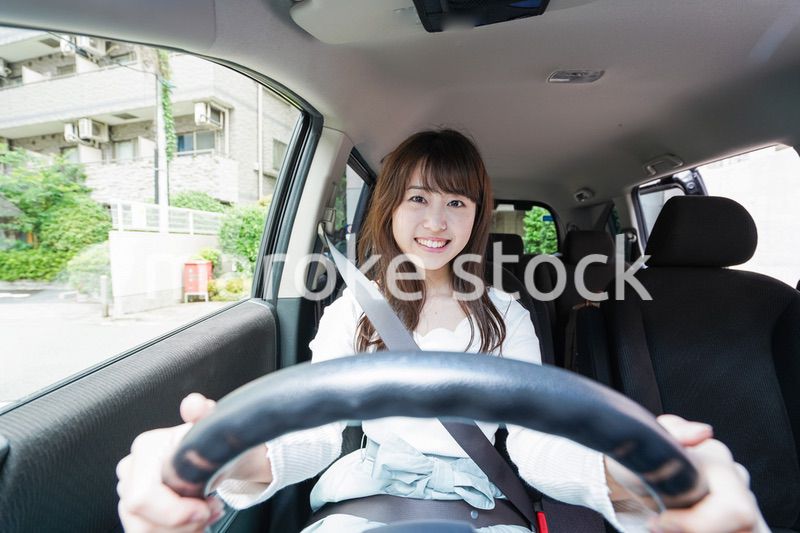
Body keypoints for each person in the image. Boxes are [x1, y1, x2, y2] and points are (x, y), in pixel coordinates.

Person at [116, 129, 767, 533]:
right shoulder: (355, 309)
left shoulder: (506, 313)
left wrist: (623, 473)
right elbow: (315, 433)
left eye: (457, 201)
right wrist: (239, 454)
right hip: (366, 493)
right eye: (419, 198)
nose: (436, 221)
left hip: (481, 495)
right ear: (390, 208)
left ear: (477, 216)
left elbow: (535, 442)